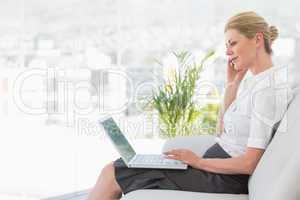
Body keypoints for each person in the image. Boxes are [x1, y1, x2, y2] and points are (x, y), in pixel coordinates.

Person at [87, 11, 293, 200]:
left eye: (233, 43)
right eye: (227, 46)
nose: (228, 52)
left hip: (223, 178)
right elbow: (221, 132)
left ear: (257, 39)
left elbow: (249, 163)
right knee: (122, 166)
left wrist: (198, 162)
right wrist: (233, 84)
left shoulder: (267, 90)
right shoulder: (255, 82)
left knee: (112, 172)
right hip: (214, 168)